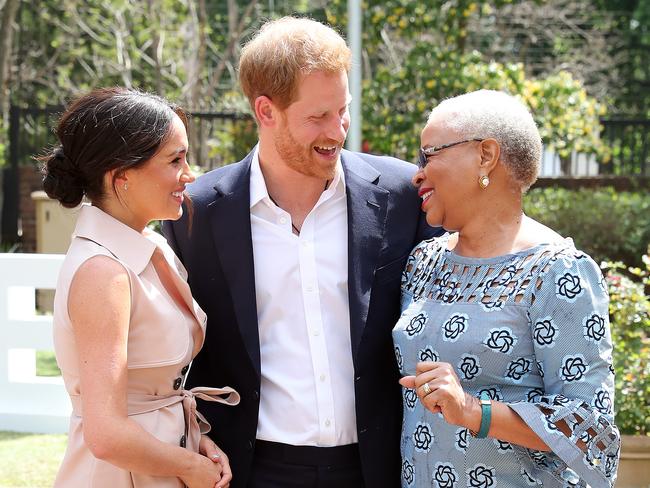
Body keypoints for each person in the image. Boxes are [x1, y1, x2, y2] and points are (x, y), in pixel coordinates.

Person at [163, 16, 439, 488]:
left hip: (379, 468)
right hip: (249, 470)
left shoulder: (400, 195)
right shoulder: (197, 212)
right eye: (318, 117)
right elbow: (177, 353)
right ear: (265, 111)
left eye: (343, 110)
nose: (338, 131)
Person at [393, 89, 620, 487]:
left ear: (486, 155)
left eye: (429, 154)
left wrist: (472, 411)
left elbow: (590, 430)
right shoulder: (424, 263)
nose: (417, 173)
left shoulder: (556, 271)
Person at [43, 87, 240, 488]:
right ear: (122, 176)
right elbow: (106, 434)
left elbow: (151, 396)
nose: (191, 174)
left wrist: (196, 442)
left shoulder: (155, 248)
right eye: (175, 160)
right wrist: (188, 467)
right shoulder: (102, 272)